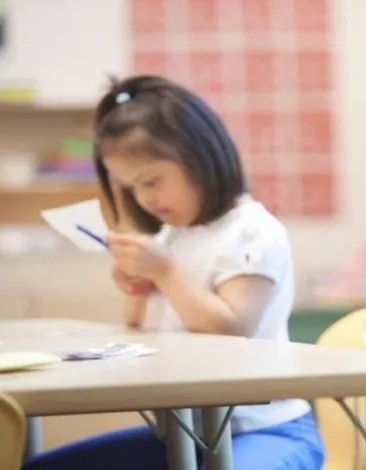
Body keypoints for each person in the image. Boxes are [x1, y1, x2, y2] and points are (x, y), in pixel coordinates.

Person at [23, 76, 324, 470]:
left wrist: (165, 272)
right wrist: (138, 286)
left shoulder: (252, 230)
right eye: (132, 188)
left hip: (266, 429)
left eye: (151, 181)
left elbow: (232, 329)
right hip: (184, 437)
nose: (145, 198)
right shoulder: (173, 235)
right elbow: (139, 330)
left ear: (200, 158)